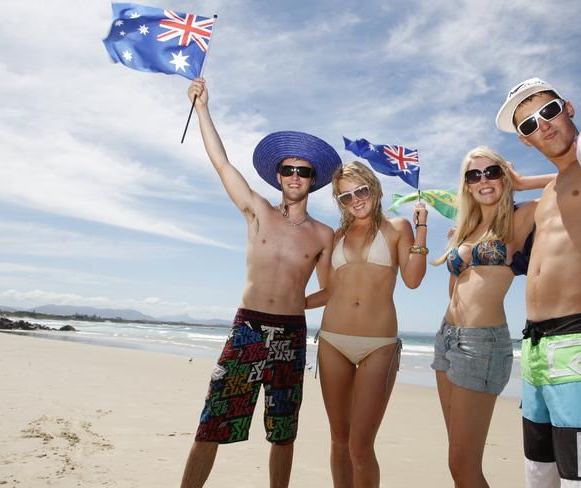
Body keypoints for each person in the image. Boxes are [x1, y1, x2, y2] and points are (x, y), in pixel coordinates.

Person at [180, 77, 341, 488]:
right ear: (278, 175)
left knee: (283, 432)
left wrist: (297, 303)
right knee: (212, 423)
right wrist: (202, 108)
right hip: (248, 328)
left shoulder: (324, 235)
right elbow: (222, 164)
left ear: (312, 179)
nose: (294, 176)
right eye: (288, 170)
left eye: (302, 171)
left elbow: (330, 288)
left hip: (291, 335)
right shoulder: (258, 212)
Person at [496, 77, 581, 486]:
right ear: (524, 140)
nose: (543, 125)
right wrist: (522, 184)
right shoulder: (551, 190)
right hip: (535, 347)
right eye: (529, 124)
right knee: (541, 473)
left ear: (568, 108)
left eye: (549, 111)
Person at [431, 146, 554, 487]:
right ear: (467, 185)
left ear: (504, 177)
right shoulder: (465, 227)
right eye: (474, 175)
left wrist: (524, 181)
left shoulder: (521, 215)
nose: (483, 180)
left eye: (492, 172)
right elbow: (456, 289)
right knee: (457, 463)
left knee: (463, 466)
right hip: (447, 339)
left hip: (481, 344)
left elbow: (580, 182)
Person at [306, 161, 427, 488]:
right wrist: (296, 303)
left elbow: (413, 280)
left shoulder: (398, 227)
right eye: (345, 197)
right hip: (332, 341)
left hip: (379, 345)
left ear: (373, 187)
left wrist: (423, 228)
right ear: (339, 201)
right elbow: (329, 291)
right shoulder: (336, 236)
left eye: (361, 190)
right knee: (339, 440)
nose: (355, 199)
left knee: (361, 445)